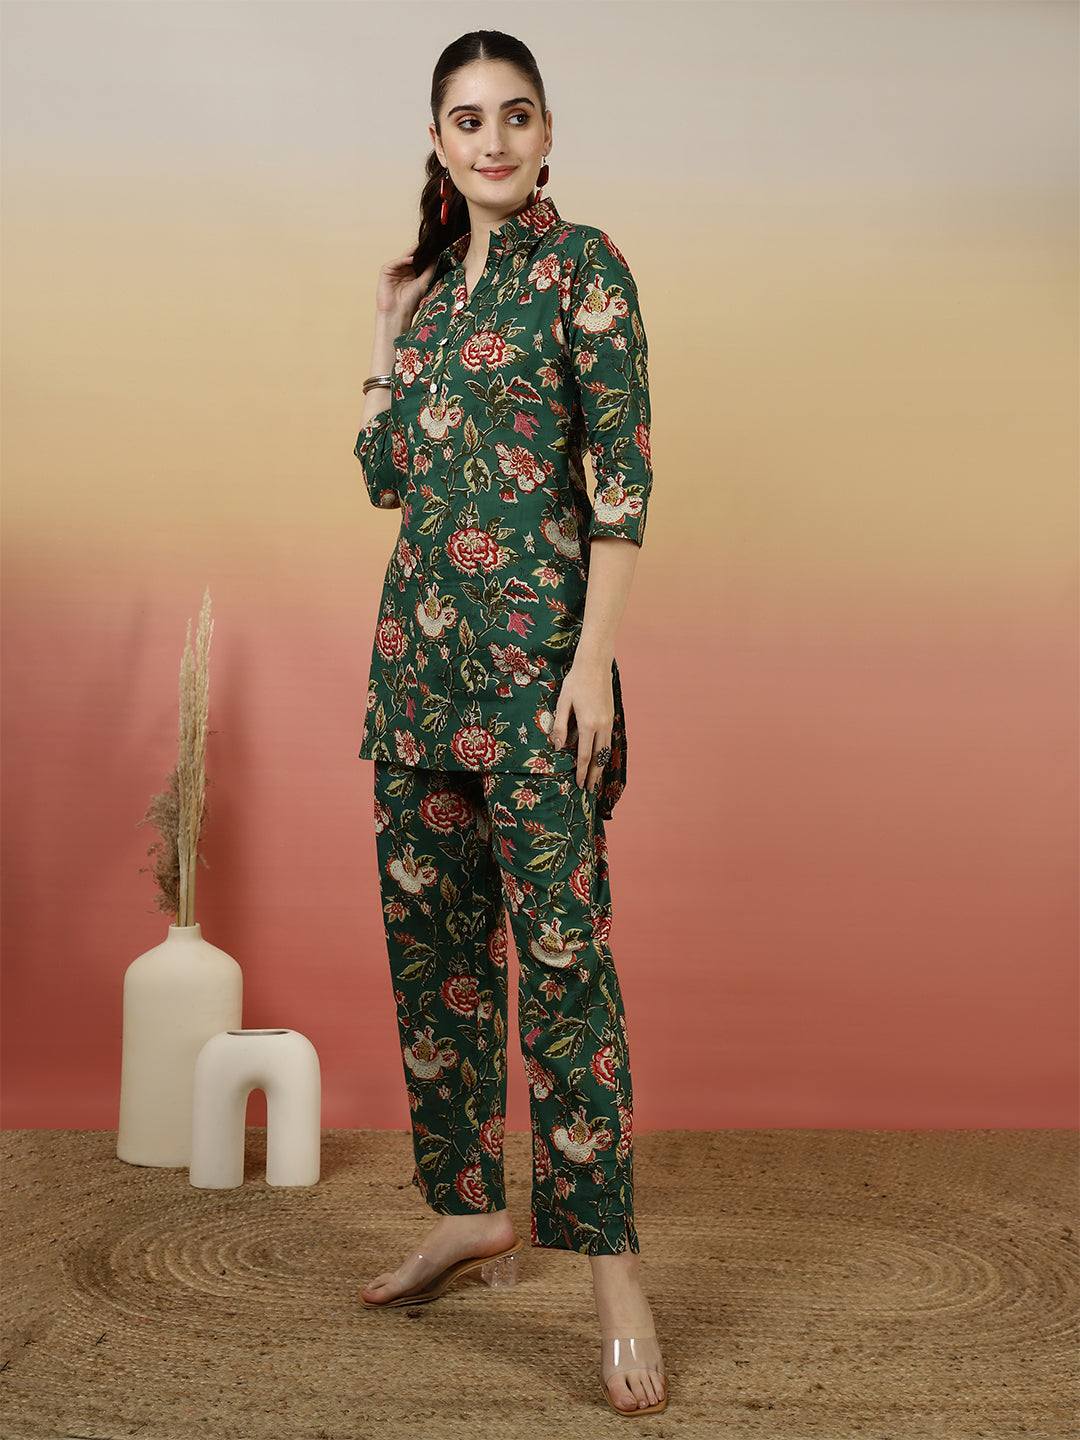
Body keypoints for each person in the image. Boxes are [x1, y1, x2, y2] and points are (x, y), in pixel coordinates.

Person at [351, 29, 667, 1417]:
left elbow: (622, 480)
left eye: (515, 115)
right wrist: (383, 330)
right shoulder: (428, 299)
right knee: (437, 963)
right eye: (467, 119)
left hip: (539, 674)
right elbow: (386, 473)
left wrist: (592, 666)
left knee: (563, 967)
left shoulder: (585, 269)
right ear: (437, 140)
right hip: (414, 674)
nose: (492, 139)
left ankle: (612, 1273)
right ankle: (472, 1211)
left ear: (547, 134)